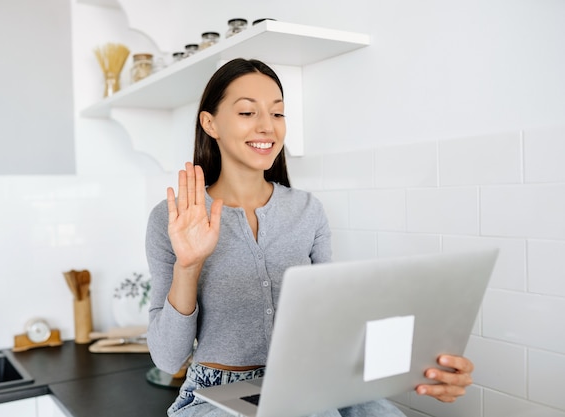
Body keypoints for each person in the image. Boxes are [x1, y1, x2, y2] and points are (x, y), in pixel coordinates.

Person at [145, 58, 474, 417]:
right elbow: (167, 358)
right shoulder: (173, 218)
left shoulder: (306, 210)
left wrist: (421, 368)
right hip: (214, 395)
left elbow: (333, 327)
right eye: (247, 113)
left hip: (309, 382)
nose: (267, 127)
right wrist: (188, 266)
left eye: (277, 113)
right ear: (210, 123)